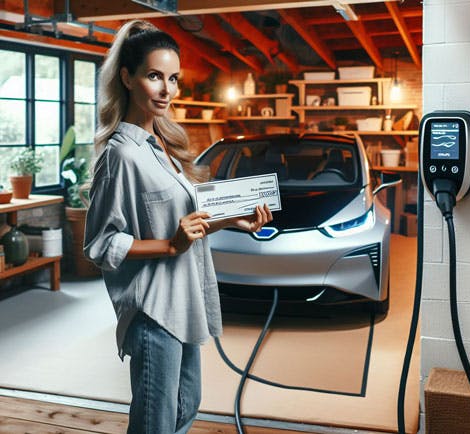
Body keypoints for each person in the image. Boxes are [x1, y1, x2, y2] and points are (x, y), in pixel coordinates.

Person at [83, 20, 272, 434]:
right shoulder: (120, 156)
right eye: (155, 76)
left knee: (186, 408)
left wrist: (230, 221)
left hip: (186, 302)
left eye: (173, 78)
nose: (167, 89)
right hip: (154, 311)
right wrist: (170, 246)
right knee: (156, 423)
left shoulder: (163, 147)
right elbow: (101, 243)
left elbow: (183, 226)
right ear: (128, 78)